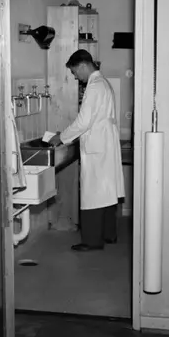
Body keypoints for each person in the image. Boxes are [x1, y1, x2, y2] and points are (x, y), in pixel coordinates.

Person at [49, 49, 125, 252]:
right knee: (107, 191)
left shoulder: (94, 86)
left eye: (75, 72)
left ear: (82, 66)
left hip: (97, 145)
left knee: (93, 193)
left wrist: (61, 137)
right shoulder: (103, 83)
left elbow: (83, 122)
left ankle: (92, 241)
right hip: (105, 142)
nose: (75, 77)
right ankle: (108, 234)